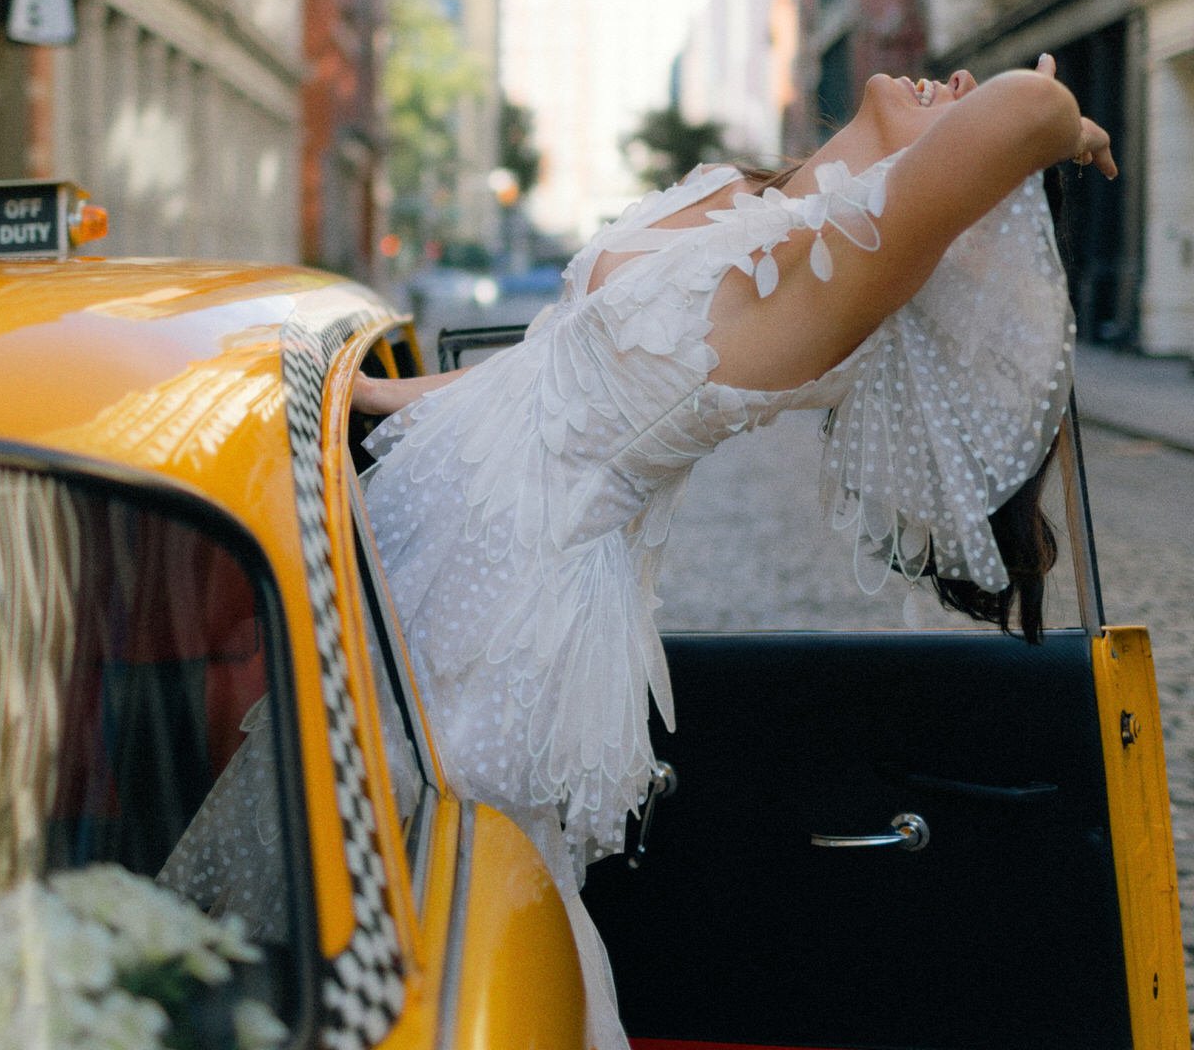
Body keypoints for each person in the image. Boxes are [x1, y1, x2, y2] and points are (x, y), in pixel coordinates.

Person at [353, 54, 1116, 1049]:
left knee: (435, 911)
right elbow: (543, 375)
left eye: (966, 112)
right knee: (356, 848)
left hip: (512, 612)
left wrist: (1066, 130)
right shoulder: (736, 198)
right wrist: (361, 398)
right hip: (432, 536)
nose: (959, 78)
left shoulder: (833, 286)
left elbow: (1029, 109)